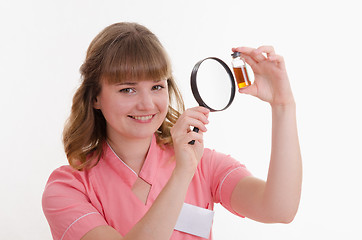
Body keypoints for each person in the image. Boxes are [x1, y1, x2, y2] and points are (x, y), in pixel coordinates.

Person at [42, 22, 302, 240]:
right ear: (95, 97)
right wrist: (181, 174)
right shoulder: (68, 189)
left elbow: (279, 209)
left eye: (157, 86)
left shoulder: (204, 164)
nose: (147, 104)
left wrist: (283, 105)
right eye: (127, 89)